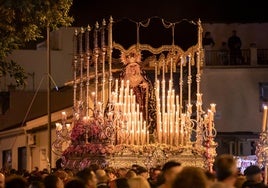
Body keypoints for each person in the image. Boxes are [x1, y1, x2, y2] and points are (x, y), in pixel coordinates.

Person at [119, 48, 157, 136]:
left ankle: (141, 130)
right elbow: (117, 88)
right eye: (130, 66)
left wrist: (146, 86)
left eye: (134, 66)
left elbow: (149, 86)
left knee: (140, 115)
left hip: (140, 101)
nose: (133, 69)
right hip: (127, 101)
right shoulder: (123, 75)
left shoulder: (142, 74)